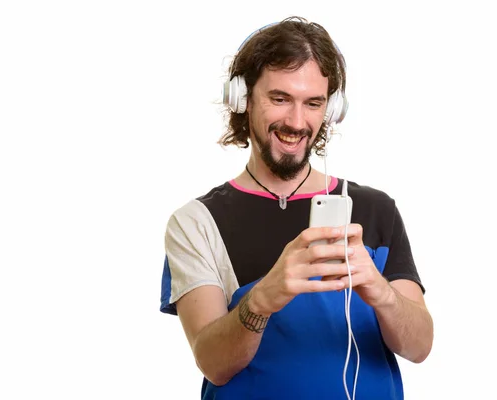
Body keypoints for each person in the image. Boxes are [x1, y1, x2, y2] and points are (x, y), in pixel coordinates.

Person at [159, 16, 433, 400]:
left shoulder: (374, 209)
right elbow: (214, 365)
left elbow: (419, 347)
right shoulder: (196, 222)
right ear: (242, 98)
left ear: (332, 109)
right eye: (280, 98)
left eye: (313, 103)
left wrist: (379, 290)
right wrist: (263, 298)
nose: (296, 121)